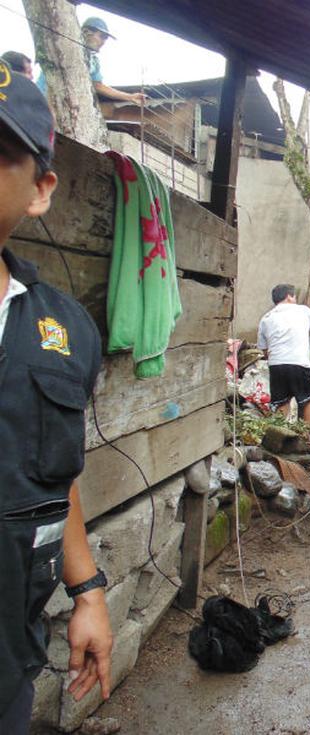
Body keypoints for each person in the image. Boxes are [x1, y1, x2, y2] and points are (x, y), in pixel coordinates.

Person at [0, 63, 112, 733]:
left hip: (7, 661)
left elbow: (55, 475)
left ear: (40, 190)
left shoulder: (64, 331)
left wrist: (88, 590)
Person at [256, 283, 310, 428]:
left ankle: (279, 432)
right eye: (294, 296)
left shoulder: (266, 318)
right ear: (289, 296)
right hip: (299, 363)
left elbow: (264, 350)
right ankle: (305, 433)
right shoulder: (303, 310)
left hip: (276, 365)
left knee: (281, 401)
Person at [37, 17, 147, 105]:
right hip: (41, 100)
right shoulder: (67, 48)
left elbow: (98, 85)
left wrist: (130, 97)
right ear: (86, 32)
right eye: (101, 36)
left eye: (105, 38)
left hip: (62, 108)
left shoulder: (93, 61)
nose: (103, 42)